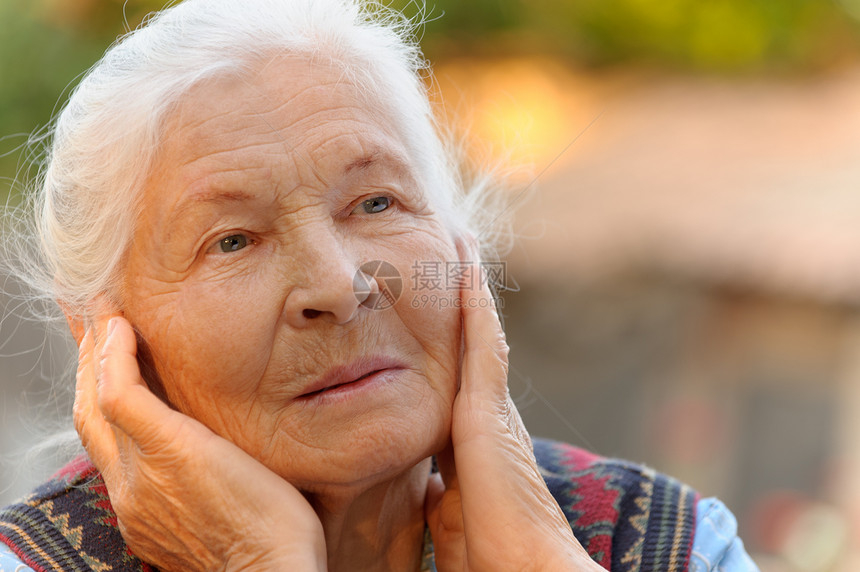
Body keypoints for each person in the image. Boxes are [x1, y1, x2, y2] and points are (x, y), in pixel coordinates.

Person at [0, 0, 759, 570]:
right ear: (103, 336)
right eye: (231, 240)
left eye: (376, 202)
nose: (338, 284)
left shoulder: (671, 543)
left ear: (461, 244)